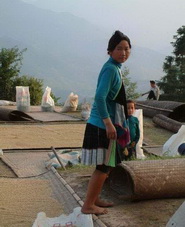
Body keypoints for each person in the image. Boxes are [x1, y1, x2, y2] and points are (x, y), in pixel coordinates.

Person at [81, 30, 131, 215]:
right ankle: (88, 206)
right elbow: (100, 98)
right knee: (104, 166)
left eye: (127, 49)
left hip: (103, 123)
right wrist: (109, 124)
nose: (123, 53)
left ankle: (94, 199)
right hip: (102, 125)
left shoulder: (115, 67)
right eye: (119, 48)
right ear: (110, 50)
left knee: (105, 165)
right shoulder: (111, 69)